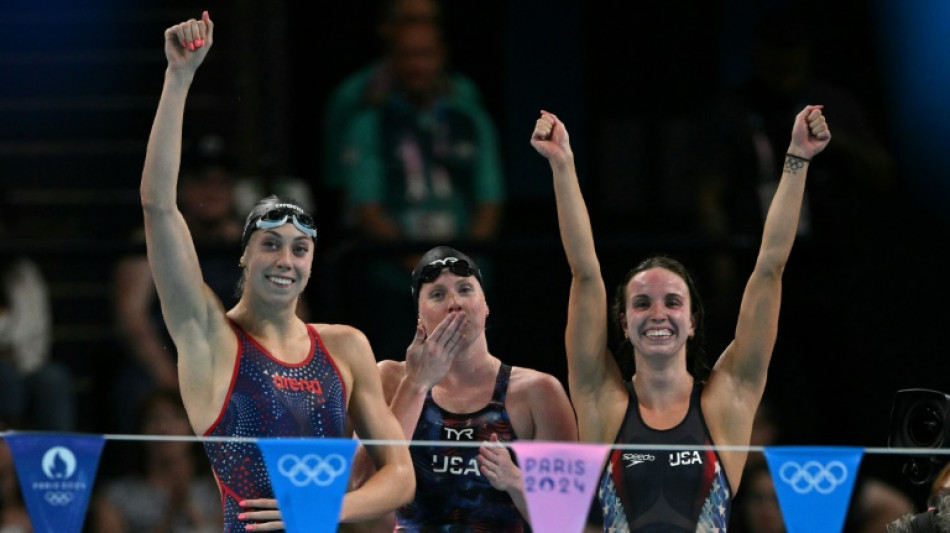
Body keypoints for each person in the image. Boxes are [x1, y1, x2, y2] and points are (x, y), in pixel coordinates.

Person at [142, 11, 413, 531]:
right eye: (270, 245)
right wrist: (178, 78)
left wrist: (323, 511)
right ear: (244, 255)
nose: (286, 261)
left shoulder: (345, 346)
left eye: (299, 249)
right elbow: (158, 206)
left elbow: (400, 475)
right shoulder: (210, 338)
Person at [531, 104, 830, 531]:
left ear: (692, 321)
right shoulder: (601, 400)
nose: (658, 314)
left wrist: (797, 157)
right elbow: (584, 273)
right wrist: (562, 166)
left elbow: (769, 268)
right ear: (622, 323)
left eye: (672, 302)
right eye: (641, 303)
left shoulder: (729, 402)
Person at [347, 245, 578, 532]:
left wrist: (515, 481)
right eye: (437, 294)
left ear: (486, 306)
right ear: (420, 316)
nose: (454, 303)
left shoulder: (538, 393)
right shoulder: (391, 380)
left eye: (466, 289)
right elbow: (361, 486)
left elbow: (565, 524)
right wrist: (416, 385)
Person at [337, 17, 505, 361]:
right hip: (396, 288)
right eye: (407, 55)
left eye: (425, 54)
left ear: (441, 57)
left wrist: (459, 277)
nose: (417, 65)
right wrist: (428, 278)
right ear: (392, 62)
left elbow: (490, 201)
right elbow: (368, 210)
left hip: (470, 286)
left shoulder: (470, 120)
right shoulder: (369, 124)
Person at [111, 135, 245, 433]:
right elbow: (131, 318)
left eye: (222, 182)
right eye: (202, 181)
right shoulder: (151, 240)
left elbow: (291, 316)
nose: (212, 191)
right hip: (165, 367)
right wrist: (172, 380)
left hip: (238, 367)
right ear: (181, 188)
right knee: (140, 391)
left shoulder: (255, 244)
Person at [92, 387, 222, 533]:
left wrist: (191, 510)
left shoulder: (218, 491)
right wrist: (170, 513)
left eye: (177, 417)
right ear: (140, 430)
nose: (164, 428)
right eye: (154, 418)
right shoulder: (115, 496)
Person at [0, 251, 75, 432]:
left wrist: (16, 355)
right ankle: (10, 452)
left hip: (27, 362)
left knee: (54, 378)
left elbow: (36, 331)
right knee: (5, 376)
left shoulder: (24, 273)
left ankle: (55, 451)